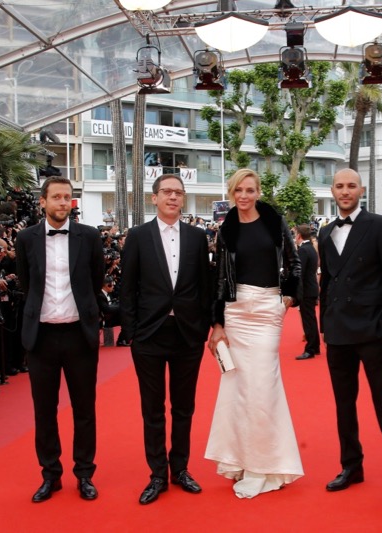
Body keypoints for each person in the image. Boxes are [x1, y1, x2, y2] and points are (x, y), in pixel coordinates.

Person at [205, 168, 303, 499]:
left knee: (262, 389)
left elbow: (295, 263)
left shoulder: (274, 222)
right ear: (232, 193)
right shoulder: (226, 230)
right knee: (237, 390)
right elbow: (219, 277)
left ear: (259, 191)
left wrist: (287, 297)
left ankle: (265, 466)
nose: (244, 196)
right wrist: (217, 322)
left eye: (250, 190)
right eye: (238, 190)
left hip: (266, 311)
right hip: (235, 312)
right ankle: (240, 462)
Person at [318, 168, 382, 508]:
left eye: (351, 186)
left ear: (362, 190)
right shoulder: (326, 231)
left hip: (372, 331)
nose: (345, 191)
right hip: (338, 332)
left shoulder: (379, 225)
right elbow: (327, 281)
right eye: (340, 186)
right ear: (332, 190)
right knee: (345, 406)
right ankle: (351, 466)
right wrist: (324, 325)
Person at [119, 173, 212, 505]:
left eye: (178, 192)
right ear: (153, 198)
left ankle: (181, 468)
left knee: (184, 407)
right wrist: (131, 332)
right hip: (150, 335)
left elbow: (205, 285)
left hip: (188, 335)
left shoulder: (197, 237)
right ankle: (157, 474)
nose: (173, 197)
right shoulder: (139, 236)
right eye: (167, 192)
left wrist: (203, 327)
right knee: (153, 410)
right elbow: (126, 288)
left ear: (183, 198)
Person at [15, 176, 104, 503]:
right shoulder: (25, 239)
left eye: (68, 197)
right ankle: (50, 475)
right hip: (41, 337)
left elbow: (96, 281)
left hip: (79, 336)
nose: (63, 203)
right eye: (56, 197)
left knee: (84, 409)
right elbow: (27, 284)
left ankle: (84, 474)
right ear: (43, 201)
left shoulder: (90, 237)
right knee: (44, 411)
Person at [294, 224, 320, 360]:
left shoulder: (303, 250)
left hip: (306, 290)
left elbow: (300, 273)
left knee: (308, 320)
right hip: (311, 288)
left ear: (299, 235)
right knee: (311, 319)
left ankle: (310, 349)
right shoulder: (311, 248)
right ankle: (315, 347)